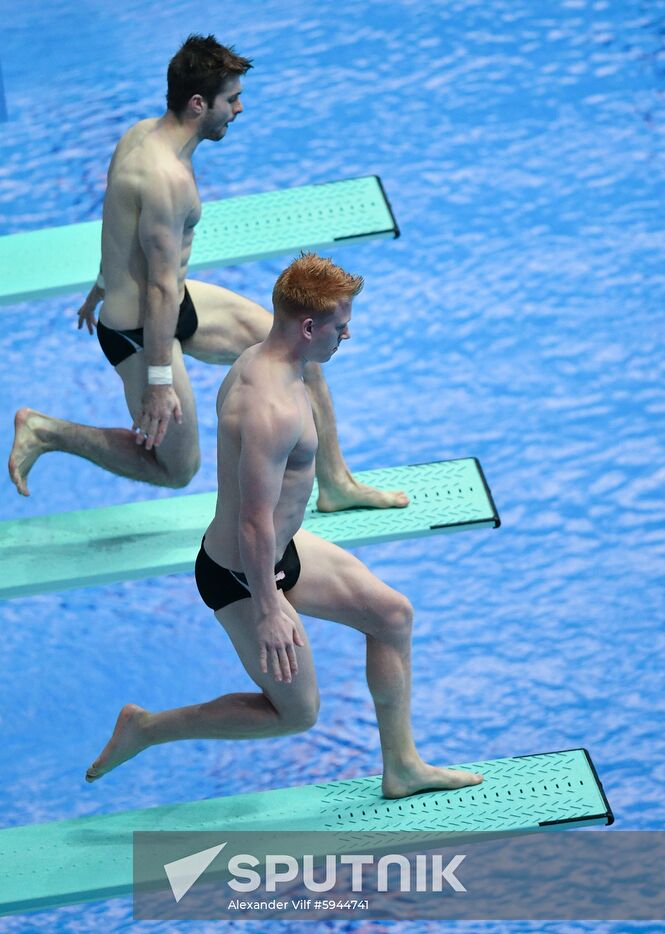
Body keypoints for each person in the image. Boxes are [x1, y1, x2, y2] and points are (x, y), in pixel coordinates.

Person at [86, 253, 483, 797]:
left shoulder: (268, 357)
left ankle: (403, 767)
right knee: (296, 715)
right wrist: (270, 610)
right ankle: (149, 727)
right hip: (243, 577)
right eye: (341, 325)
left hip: (281, 552)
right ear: (308, 326)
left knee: (392, 616)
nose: (349, 333)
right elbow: (251, 524)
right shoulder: (269, 409)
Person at [8, 34, 407, 513]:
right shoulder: (166, 180)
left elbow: (119, 225)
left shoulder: (141, 133)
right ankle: (47, 431)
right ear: (198, 103)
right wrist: (159, 382)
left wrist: (101, 282)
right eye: (231, 99)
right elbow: (156, 290)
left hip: (171, 302)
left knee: (303, 349)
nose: (240, 108)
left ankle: (336, 483)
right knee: (177, 468)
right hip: (140, 330)